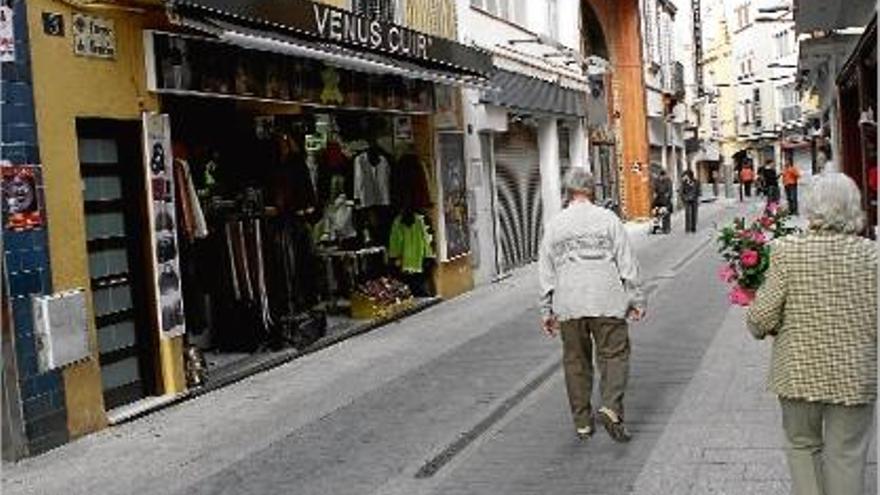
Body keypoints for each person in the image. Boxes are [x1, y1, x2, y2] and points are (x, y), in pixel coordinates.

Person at [746, 173, 877, 495]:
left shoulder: (786, 251)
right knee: (846, 454)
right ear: (853, 207)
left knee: (802, 446)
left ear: (810, 207)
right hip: (854, 373)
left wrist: (760, 326)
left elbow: (761, 317)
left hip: (798, 371)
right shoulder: (873, 256)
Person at [538, 168, 646, 442]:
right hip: (607, 299)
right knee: (615, 355)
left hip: (569, 303)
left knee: (576, 362)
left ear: (567, 192)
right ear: (591, 190)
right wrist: (636, 298)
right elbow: (626, 263)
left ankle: (583, 423)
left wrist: (546, 310)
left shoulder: (555, 224)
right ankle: (610, 406)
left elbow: (546, 272)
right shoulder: (608, 219)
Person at [652, 169, 673, 233]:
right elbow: (654, 189)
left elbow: (670, 190)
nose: (661, 178)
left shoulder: (668, 181)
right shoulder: (656, 181)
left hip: (666, 200)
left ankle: (667, 228)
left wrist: (668, 195)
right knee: (656, 213)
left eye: (663, 176)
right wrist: (655, 193)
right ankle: (656, 227)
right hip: (658, 199)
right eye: (660, 176)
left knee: (666, 214)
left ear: (665, 176)